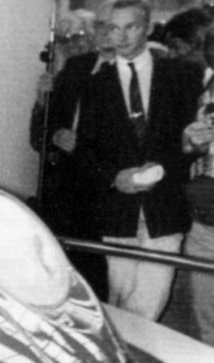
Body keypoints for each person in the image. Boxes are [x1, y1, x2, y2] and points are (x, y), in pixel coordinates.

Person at [75, 0, 204, 322]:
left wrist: (170, 163)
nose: (120, 36)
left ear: (146, 28)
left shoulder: (182, 76)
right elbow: (85, 152)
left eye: (130, 27)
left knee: (148, 306)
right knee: (119, 302)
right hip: (118, 211)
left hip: (165, 208)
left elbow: (192, 142)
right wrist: (115, 177)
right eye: (113, 28)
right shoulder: (94, 85)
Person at [30, 7, 116, 299]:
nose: (73, 44)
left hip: (102, 187)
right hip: (65, 187)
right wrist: (43, 104)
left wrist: (82, 144)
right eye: (65, 39)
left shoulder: (115, 71)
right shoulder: (71, 73)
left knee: (98, 274)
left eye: (79, 35)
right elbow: (38, 139)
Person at [179, 25, 214, 346]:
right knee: (207, 326)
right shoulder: (204, 87)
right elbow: (189, 148)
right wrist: (190, 142)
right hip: (205, 220)